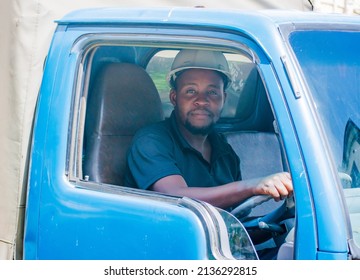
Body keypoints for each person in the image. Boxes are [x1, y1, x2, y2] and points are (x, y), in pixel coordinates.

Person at [125, 49, 293, 210]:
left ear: (224, 99)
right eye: (190, 91)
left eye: (212, 92)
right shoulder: (151, 141)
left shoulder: (224, 151)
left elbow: (236, 219)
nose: (202, 100)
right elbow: (176, 198)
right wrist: (254, 185)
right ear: (174, 98)